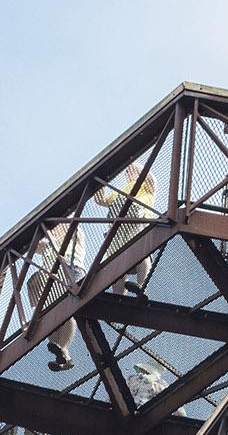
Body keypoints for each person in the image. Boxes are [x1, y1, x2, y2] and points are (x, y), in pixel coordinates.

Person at [27, 219, 86, 372]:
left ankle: (64, 348)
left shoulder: (74, 232)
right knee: (52, 318)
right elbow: (33, 248)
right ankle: (61, 355)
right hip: (52, 277)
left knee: (66, 314)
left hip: (70, 270)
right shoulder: (47, 242)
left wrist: (56, 229)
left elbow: (75, 233)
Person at [95, 157, 158, 294]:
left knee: (143, 254)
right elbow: (102, 201)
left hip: (137, 220)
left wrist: (130, 163)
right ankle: (119, 296)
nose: (129, 174)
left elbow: (151, 179)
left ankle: (142, 287)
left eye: (130, 172)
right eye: (127, 172)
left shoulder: (146, 188)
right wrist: (101, 183)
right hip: (119, 228)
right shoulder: (120, 192)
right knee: (116, 264)